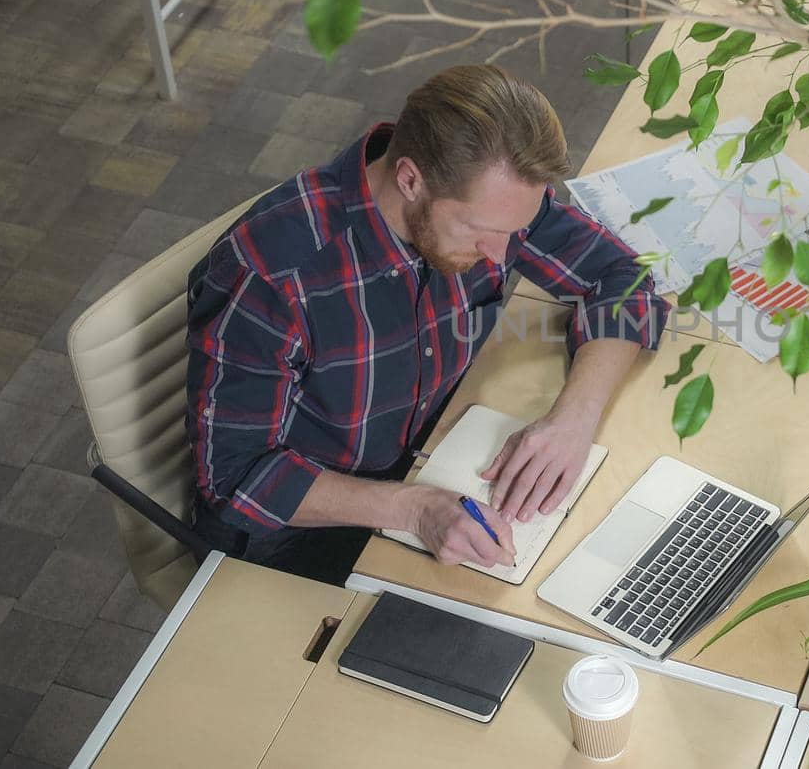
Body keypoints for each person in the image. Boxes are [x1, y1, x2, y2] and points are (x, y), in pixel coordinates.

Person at [184, 65, 669, 584]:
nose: (502, 254)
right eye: (481, 231)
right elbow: (236, 479)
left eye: (517, 230)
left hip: (433, 464)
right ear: (410, 179)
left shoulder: (493, 199)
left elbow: (623, 278)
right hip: (296, 544)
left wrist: (574, 418)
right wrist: (415, 509)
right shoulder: (270, 277)